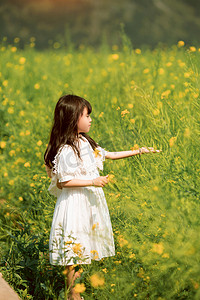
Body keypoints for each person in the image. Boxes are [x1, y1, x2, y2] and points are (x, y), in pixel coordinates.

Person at [44, 94, 161, 300]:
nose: (90, 119)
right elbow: (63, 181)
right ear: (73, 118)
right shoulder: (66, 149)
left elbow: (110, 154)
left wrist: (140, 151)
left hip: (87, 202)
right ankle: (73, 295)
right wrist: (93, 181)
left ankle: (75, 294)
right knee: (74, 253)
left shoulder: (84, 141)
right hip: (75, 204)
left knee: (81, 251)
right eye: (86, 115)